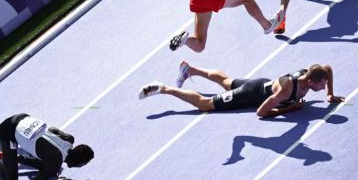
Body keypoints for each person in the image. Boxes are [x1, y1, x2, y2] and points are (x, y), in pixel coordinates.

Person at [139, 62, 343, 117]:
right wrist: (289, 109)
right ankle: (164, 88)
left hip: (259, 84)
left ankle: (190, 69)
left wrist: (330, 93)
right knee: (205, 105)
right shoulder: (286, 90)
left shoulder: (311, 73)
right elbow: (261, 112)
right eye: (322, 85)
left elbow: (329, 69)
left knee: (226, 81)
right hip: (250, 95)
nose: (324, 85)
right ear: (310, 82)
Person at [0, 113, 94, 180]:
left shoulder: (69, 139)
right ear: (79, 163)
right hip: (8, 132)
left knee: (49, 167)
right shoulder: (55, 164)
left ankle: (9, 157)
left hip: (22, 117)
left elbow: (51, 131)